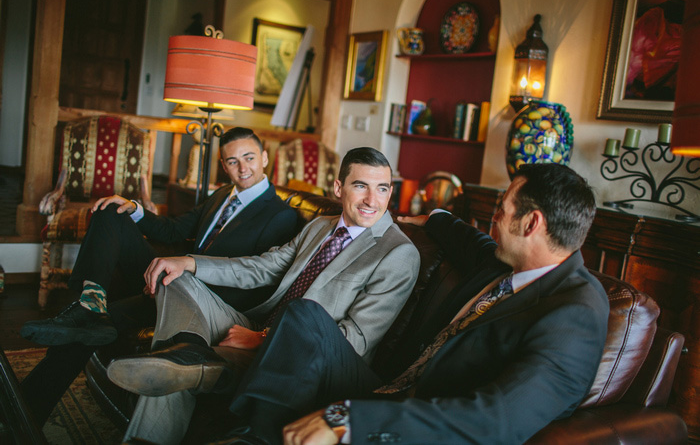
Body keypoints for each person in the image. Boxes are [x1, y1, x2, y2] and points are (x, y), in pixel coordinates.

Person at [214, 163, 610, 445]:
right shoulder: (507, 261)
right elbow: (467, 237)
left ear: (531, 224)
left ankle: (245, 431)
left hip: (419, 419)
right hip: (386, 386)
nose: (493, 218)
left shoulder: (576, 314)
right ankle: (241, 423)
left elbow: (496, 421)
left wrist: (348, 418)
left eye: (501, 210)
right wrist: (432, 217)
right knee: (305, 315)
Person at [107, 146, 421, 444]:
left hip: (311, 359)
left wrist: (264, 338)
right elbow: (262, 267)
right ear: (339, 188)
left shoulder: (398, 253)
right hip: (257, 323)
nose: (372, 200)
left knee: (184, 355)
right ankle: (189, 354)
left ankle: (191, 371)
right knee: (174, 279)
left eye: (382, 188)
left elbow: (356, 341)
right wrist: (189, 262)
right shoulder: (319, 227)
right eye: (361, 186)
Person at [19, 127, 298, 426]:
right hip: (168, 277)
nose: (242, 168)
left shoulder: (281, 215)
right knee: (111, 211)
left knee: (82, 330)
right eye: (232, 161)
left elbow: (253, 279)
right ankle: (91, 299)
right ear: (223, 164)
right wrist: (134, 209)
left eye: (249, 157)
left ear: (264, 157)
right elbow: (176, 230)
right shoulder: (222, 196)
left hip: (197, 300)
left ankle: (24, 414)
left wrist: (181, 276)